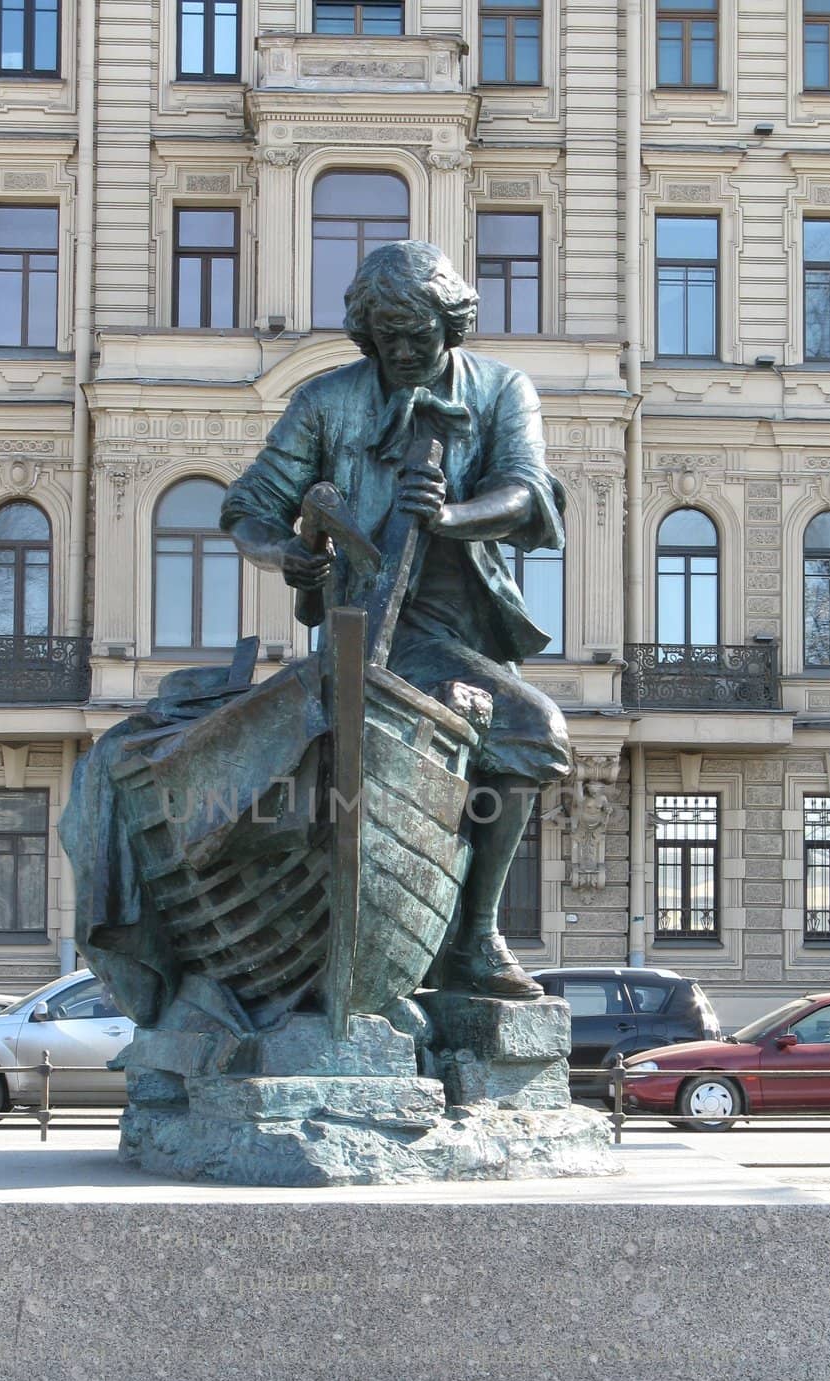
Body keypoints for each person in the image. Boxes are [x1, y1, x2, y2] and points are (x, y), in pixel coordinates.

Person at [222, 240, 572, 1000]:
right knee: (531, 728)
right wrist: (288, 552)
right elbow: (249, 507)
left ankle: (472, 936)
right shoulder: (327, 402)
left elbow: (528, 492)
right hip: (372, 631)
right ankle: (450, 944)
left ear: (452, 325)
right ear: (368, 335)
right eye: (389, 339)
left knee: (526, 737)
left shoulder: (501, 389)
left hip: (468, 632)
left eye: (421, 335)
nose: (407, 352)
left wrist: (450, 515)